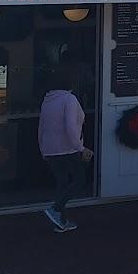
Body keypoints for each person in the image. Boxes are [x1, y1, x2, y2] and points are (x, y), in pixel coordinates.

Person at [38, 69, 92, 232]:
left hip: (50, 149)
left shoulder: (47, 100)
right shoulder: (69, 99)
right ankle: (55, 209)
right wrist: (80, 148)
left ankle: (60, 221)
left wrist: (43, 149)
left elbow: (41, 127)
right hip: (67, 148)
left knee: (62, 183)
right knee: (79, 180)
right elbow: (71, 125)